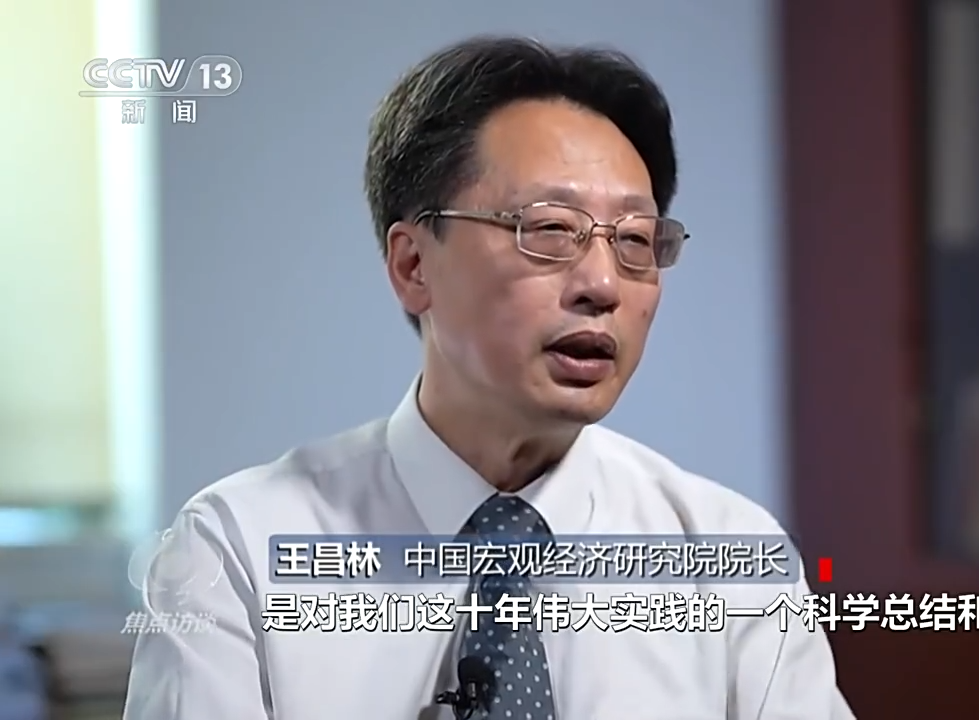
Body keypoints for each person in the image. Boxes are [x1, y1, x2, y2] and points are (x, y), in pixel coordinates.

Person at [123, 35, 855, 720]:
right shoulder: (238, 552)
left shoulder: (729, 559)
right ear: (414, 265)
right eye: (550, 230)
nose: (603, 283)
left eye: (635, 241)